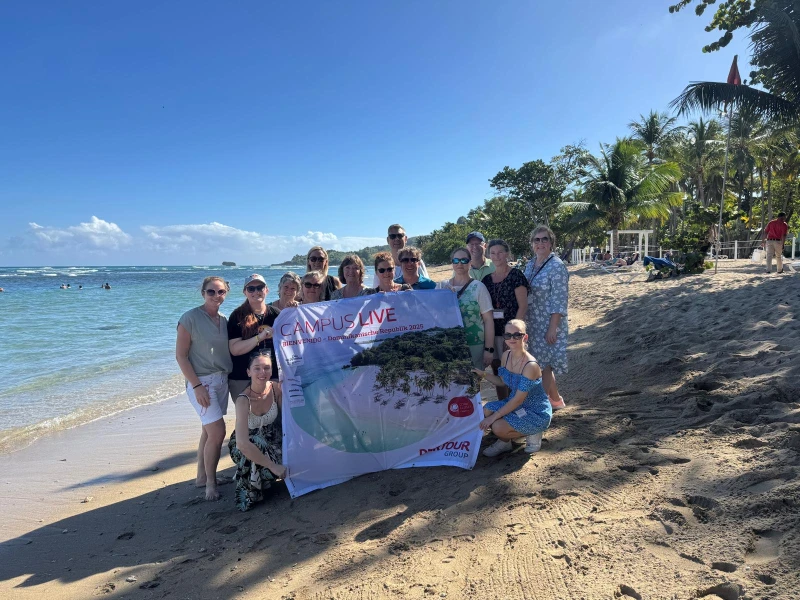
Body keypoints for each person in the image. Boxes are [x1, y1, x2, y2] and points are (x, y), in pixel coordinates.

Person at [175, 276, 234, 501]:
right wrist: (197, 386)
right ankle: (211, 483)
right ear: (203, 293)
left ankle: (201, 477)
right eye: (211, 292)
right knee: (218, 432)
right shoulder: (189, 318)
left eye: (221, 292)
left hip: (221, 381)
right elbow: (181, 356)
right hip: (201, 382)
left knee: (207, 431)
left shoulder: (224, 320)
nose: (216, 296)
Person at [473, 320, 551, 455]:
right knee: (486, 411)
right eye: (508, 335)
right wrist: (483, 374)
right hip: (516, 404)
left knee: (497, 425)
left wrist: (494, 417)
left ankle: (534, 431)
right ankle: (505, 442)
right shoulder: (506, 355)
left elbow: (518, 400)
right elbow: (502, 382)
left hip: (534, 410)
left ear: (525, 337)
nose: (512, 338)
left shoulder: (531, 365)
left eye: (517, 335)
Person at [228, 351, 286, 512]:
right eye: (257, 368)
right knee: (254, 446)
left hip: (272, 437)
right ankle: (251, 493)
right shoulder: (243, 400)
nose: (262, 372)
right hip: (245, 442)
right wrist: (273, 466)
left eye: (267, 368)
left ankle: (262, 480)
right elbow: (242, 443)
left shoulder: (276, 389)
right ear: (248, 372)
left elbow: (287, 420)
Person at [524, 226, 569, 411]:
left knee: (544, 366)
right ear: (532, 243)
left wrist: (553, 327)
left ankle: (540, 408)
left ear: (551, 243)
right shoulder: (530, 264)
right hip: (533, 321)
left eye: (545, 239)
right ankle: (556, 400)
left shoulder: (557, 266)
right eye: (537, 239)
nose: (540, 243)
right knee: (541, 363)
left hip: (548, 322)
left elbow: (559, 299)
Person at [437, 248, 494, 369]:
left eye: (464, 260)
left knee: (474, 379)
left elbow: (488, 320)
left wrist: (489, 349)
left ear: (470, 263)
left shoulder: (479, 287)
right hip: (448, 345)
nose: (459, 264)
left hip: (474, 345)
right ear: (452, 263)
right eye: (456, 260)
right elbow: (432, 314)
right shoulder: (441, 286)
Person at [228, 274, 279, 402]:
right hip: (242, 377)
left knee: (274, 413)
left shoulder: (276, 314)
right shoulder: (237, 316)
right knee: (246, 413)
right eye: (251, 289)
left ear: (266, 290)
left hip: (271, 376)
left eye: (260, 287)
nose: (256, 292)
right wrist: (259, 338)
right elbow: (234, 349)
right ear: (245, 292)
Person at [482, 239, 528, 360]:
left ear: (507, 253)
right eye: (493, 253)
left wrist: (513, 335)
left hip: (511, 333)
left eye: (500, 252)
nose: (496, 256)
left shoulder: (516, 276)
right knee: (496, 366)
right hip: (492, 332)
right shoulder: (486, 280)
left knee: (513, 365)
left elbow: (523, 306)